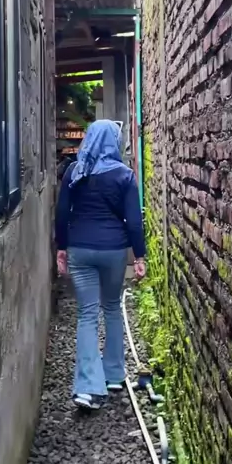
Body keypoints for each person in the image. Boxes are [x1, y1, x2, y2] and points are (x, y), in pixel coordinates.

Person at [55, 119, 146, 411]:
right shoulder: (125, 175)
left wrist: (61, 248)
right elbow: (134, 221)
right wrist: (139, 257)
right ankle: (115, 374)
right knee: (112, 307)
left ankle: (87, 387)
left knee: (87, 314)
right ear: (115, 142)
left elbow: (61, 212)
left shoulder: (75, 171)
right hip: (114, 251)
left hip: (80, 249)